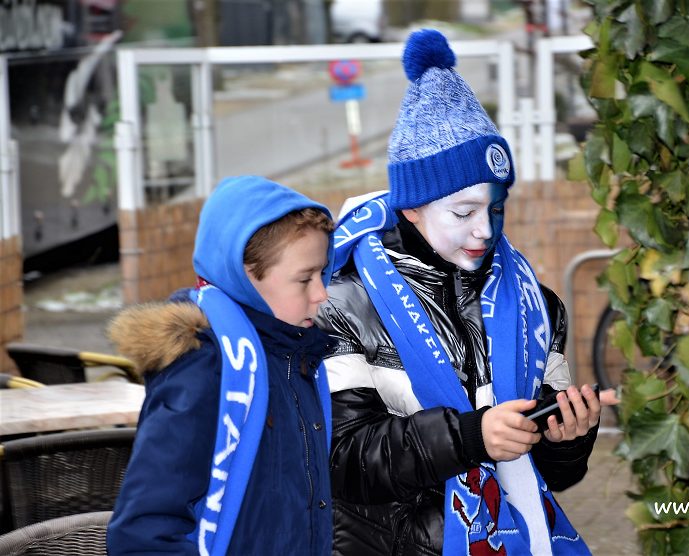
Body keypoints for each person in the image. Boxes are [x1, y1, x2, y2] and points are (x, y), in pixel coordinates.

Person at [316, 29, 604, 555]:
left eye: (496, 208)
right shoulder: (339, 302)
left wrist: (569, 438)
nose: (485, 231)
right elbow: (343, 459)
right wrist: (470, 437)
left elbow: (554, 476)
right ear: (411, 209)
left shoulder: (538, 307)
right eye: (463, 212)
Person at [107, 175, 336, 555]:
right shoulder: (207, 369)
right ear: (243, 277)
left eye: (322, 272)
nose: (321, 293)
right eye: (304, 279)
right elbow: (143, 534)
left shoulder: (297, 357)